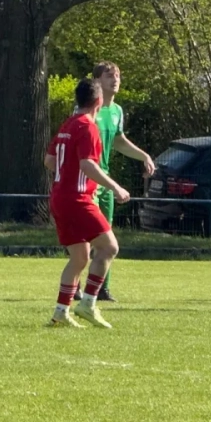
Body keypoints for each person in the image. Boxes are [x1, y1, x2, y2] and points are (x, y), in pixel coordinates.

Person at [43, 78, 130, 329]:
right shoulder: (88, 126)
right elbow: (88, 164)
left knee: (79, 258)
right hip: (77, 199)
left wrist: (68, 171)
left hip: (59, 197)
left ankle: (61, 312)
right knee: (109, 247)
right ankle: (89, 304)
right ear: (99, 101)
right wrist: (115, 187)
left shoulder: (68, 124)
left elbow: (49, 161)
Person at [74, 62, 155, 302]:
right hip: (87, 180)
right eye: (109, 75)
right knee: (85, 235)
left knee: (106, 234)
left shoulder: (117, 111)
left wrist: (144, 156)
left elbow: (118, 140)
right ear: (97, 81)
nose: (115, 79)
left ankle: (101, 288)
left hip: (106, 180)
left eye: (118, 75)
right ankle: (75, 286)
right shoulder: (86, 111)